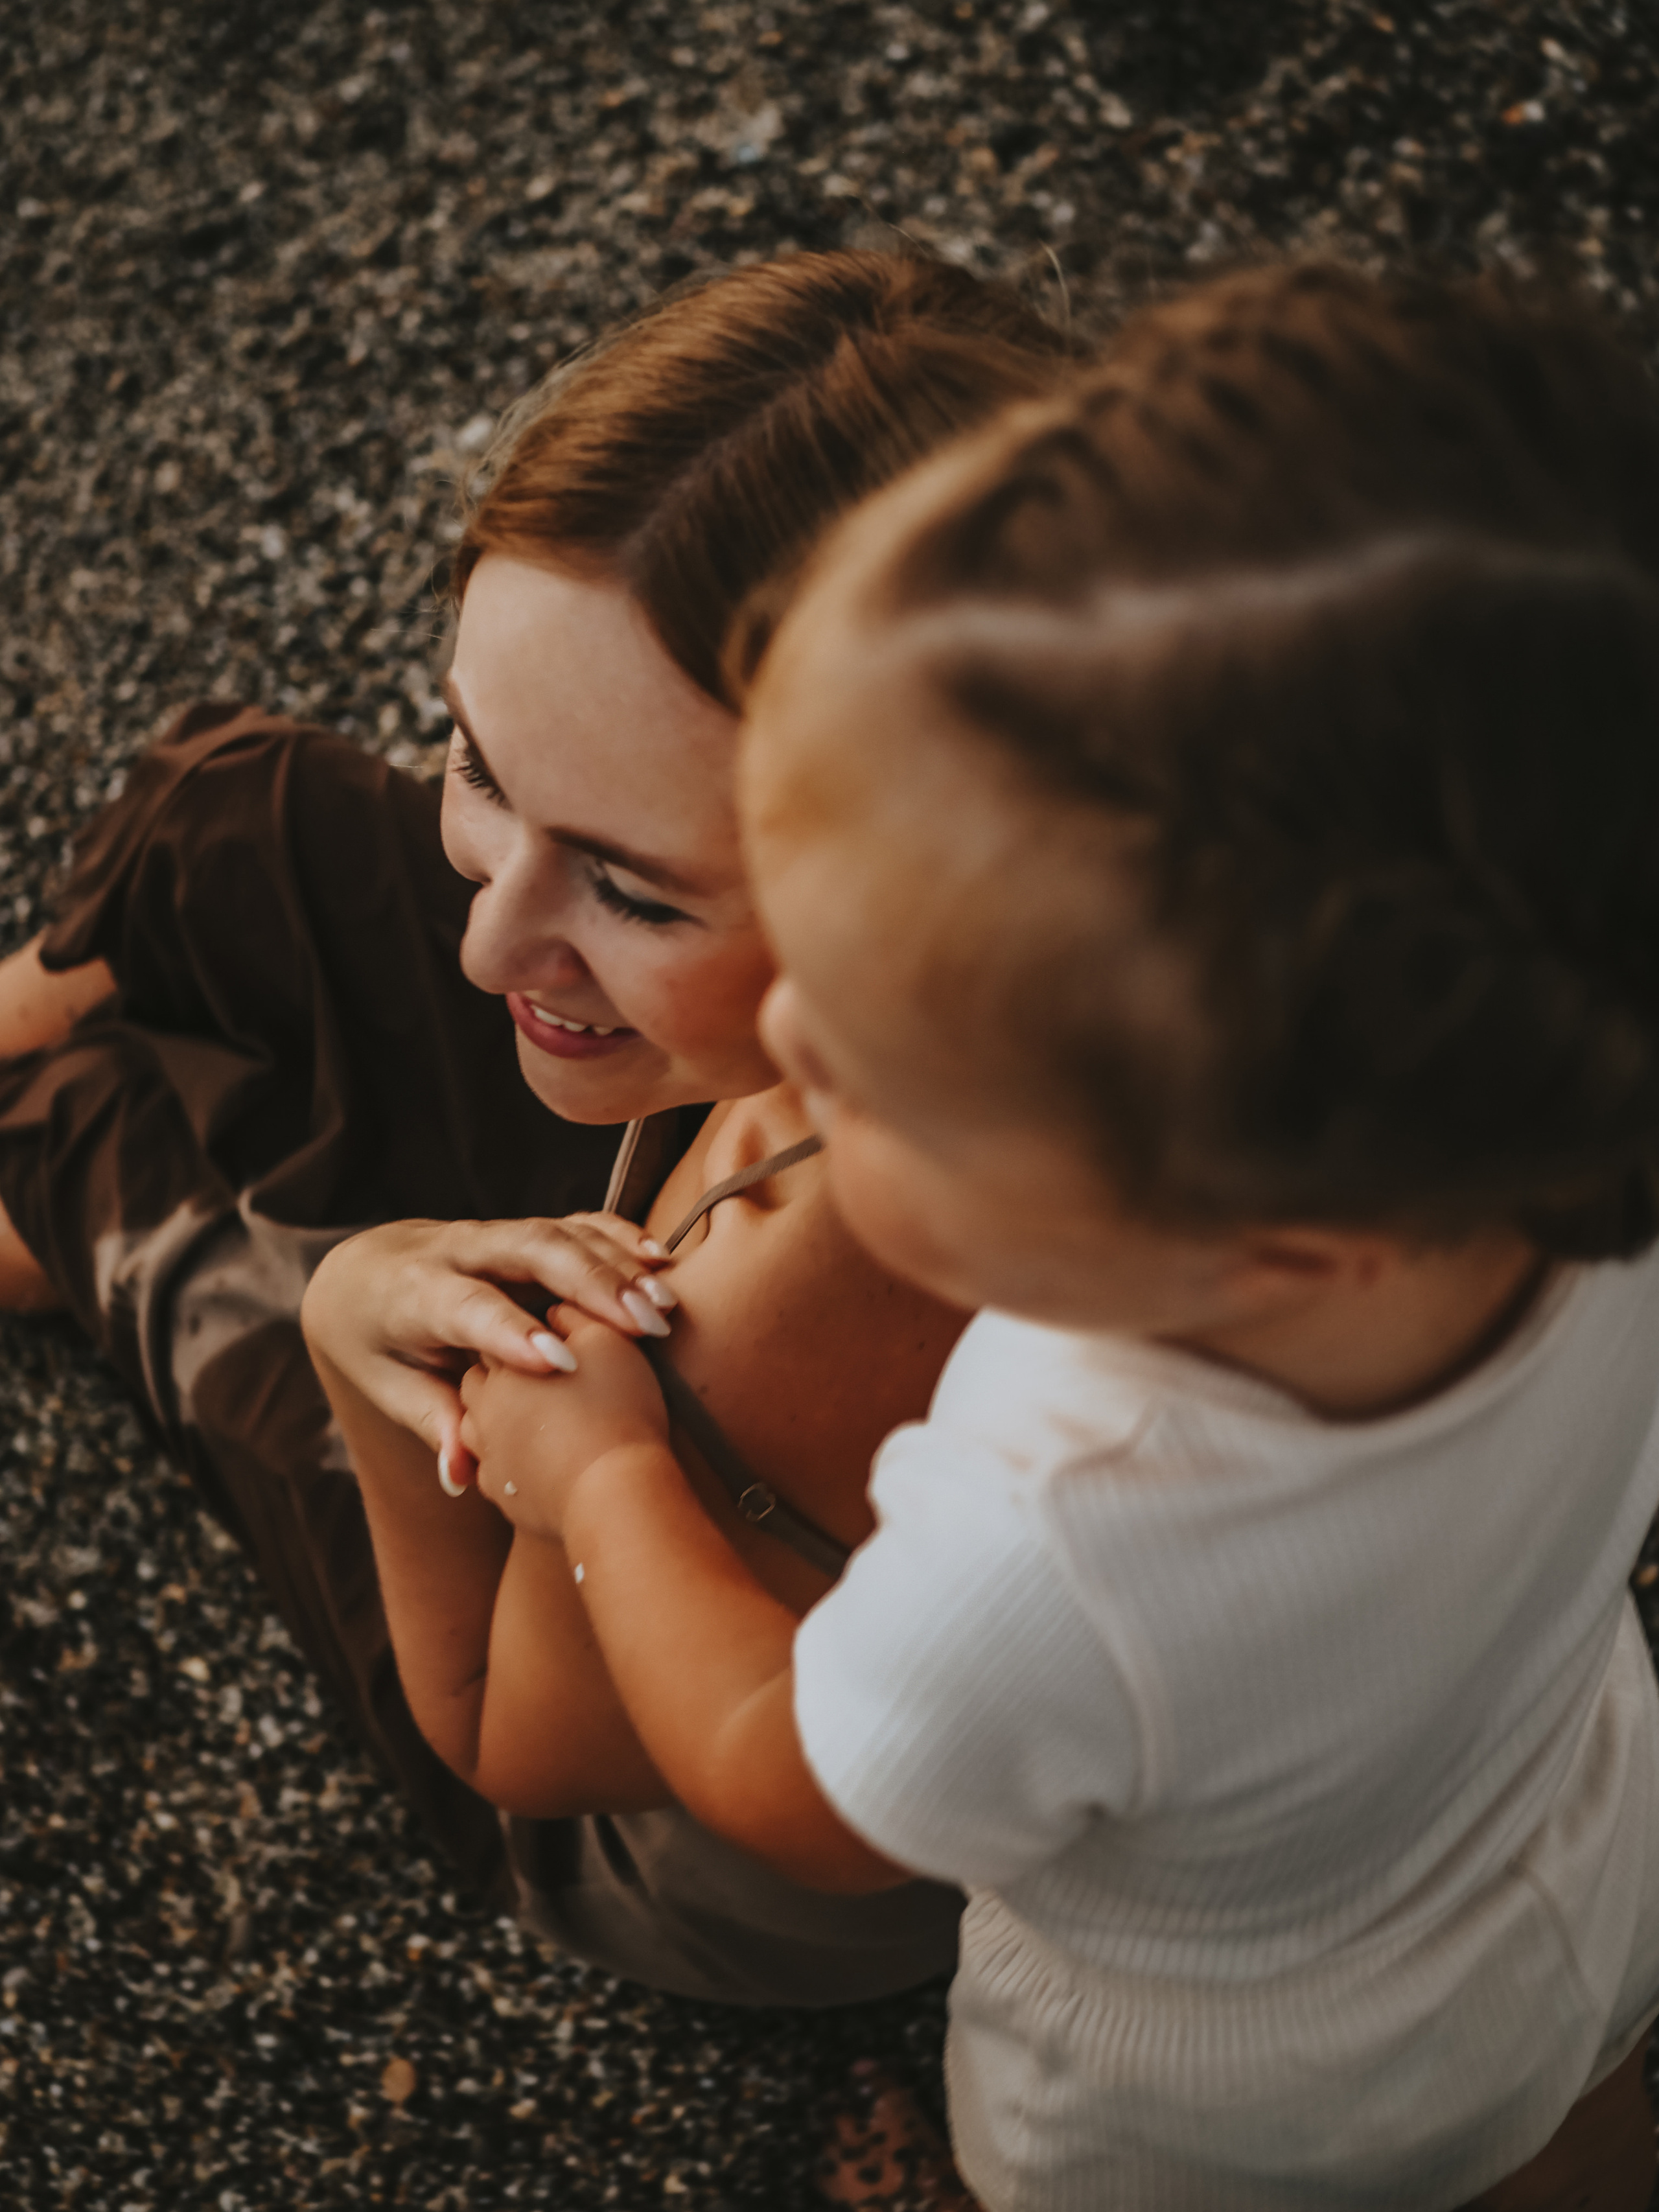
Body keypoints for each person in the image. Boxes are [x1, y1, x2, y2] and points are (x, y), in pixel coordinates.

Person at [454, 263, 1659, 2209]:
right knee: (1572, 2131)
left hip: (1214, 2115)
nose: (797, 1053)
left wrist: (599, 1480)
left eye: (890, 1078)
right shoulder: (1568, 1125)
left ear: (1248, 1229)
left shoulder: (1064, 1515)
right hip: (1571, 1849)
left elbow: (784, 1780)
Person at [0, 250, 1078, 2005]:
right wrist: (616, 919)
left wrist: (360, 1318)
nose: (497, 935)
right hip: (677, 1213)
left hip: (615, 1802)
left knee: (77, 1122)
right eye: (482, 766)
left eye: (639, 889)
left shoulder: (787, 1299)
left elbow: (499, 1729)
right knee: (234, 806)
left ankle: (66, 1194)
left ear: (918, 903)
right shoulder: (1128, 869)